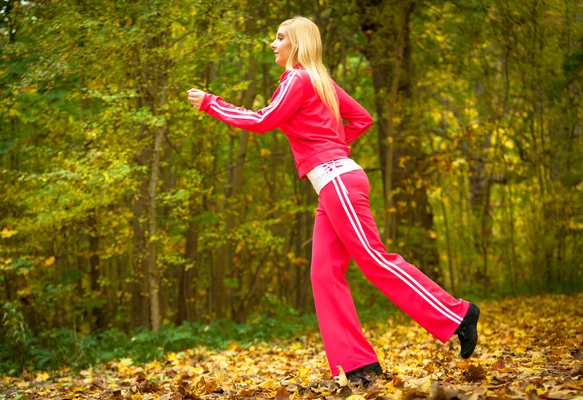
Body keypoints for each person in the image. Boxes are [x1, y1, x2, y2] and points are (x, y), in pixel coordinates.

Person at [187, 16, 480, 385]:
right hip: (332, 184)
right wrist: (331, 143)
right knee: (323, 273)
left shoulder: (297, 78)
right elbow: (362, 118)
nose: (273, 45)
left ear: (298, 43)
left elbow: (262, 120)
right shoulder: (320, 81)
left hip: (338, 179)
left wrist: (211, 103)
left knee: (375, 260)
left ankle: (458, 314)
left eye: (280, 38)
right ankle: (359, 365)